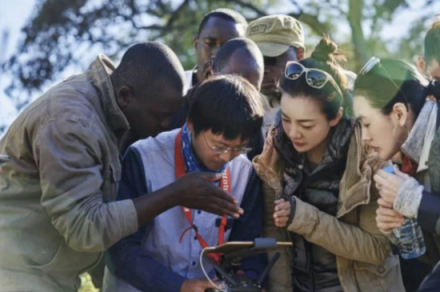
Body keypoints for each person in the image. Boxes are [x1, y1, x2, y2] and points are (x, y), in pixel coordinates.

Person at [0, 42, 243, 292]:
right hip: (15, 269)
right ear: (126, 95)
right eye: (160, 115)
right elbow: (83, 228)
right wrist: (175, 194)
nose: (166, 124)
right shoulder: (71, 123)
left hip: (46, 271)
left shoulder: (112, 107)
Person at [252, 37, 404, 292]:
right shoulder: (276, 149)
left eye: (306, 124)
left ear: (335, 117)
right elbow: (274, 237)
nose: (293, 132)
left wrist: (303, 217)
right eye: (286, 119)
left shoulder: (370, 157)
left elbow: (377, 248)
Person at [104, 75, 265, 292]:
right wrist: (177, 286)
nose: (227, 157)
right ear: (191, 124)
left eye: (239, 148)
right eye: (218, 146)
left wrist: (244, 282)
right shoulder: (144, 158)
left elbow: (250, 247)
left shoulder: (245, 172)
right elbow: (120, 249)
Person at [353, 58, 440, 291]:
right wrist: (401, 228)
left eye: (367, 124)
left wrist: (417, 201)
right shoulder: (407, 158)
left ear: (399, 113)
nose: (364, 138)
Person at [170, 37, 264, 131]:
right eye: (234, 89)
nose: (243, 101)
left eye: (253, 92)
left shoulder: (254, 122)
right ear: (210, 74)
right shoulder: (176, 117)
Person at [246, 15, 305, 131]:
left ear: (299, 54)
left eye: (271, 58)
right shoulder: (237, 105)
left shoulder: (326, 99)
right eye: (255, 59)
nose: (263, 68)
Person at [186, 8, 248, 90]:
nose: (217, 54)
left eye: (229, 47)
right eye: (210, 44)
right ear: (196, 45)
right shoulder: (172, 89)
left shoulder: (252, 97)